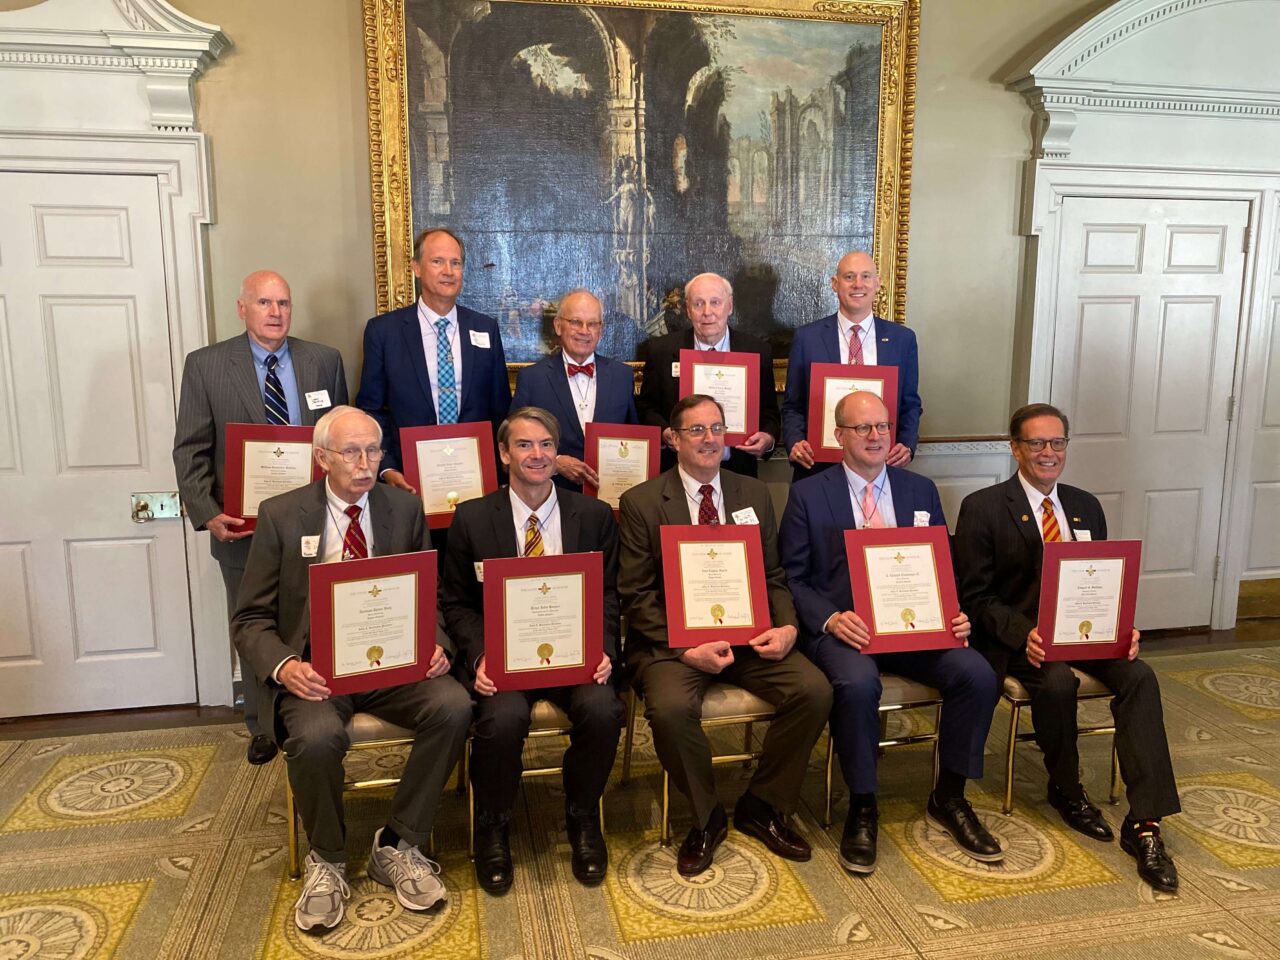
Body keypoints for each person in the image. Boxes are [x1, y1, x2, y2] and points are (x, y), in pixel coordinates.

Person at [232, 406, 472, 931]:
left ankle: (399, 842)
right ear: (322, 458)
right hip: (316, 672)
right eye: (351, 452)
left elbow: (428, 593)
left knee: (455, 707)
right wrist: (285, 665)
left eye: (373, 451)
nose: (365, 464)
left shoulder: (403, 510)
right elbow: (250, 618)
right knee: (316, 740)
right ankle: (329, 858)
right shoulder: (281, 514)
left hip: (394, 665)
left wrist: (436, 643)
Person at [954, 402, 1180, 893]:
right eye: (1036, 443)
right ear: (1015, 448)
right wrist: (1022, 634)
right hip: (1020, 640)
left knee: (1141, 676)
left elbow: (1097, 582)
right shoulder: (984, 506)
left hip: (1081, 632)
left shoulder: (1085, 505)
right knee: (1055, 681)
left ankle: (1145, 823)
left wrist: (1123, 628)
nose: (1048, 452)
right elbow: (975, 596)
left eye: (1057, 442)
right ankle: (1066, 788)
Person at [778, 391, 1001, 873]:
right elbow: (792, 577)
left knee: (978, 674)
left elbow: (944, 566)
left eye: (882, 426)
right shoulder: (808, 494)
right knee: (858, 685)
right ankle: (863, 803)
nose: (876, 436)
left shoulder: (920, 491)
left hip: (914, 629)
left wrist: (954, 613)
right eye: (863, 428)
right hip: (846, 630)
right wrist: (831, 618)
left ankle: (950, 795)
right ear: (839, 436)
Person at [618, 394, 832, 877]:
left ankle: (763, 803)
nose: (710, 439)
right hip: (673, 645)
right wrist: (683, 647)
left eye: (717, 428)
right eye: (696, 430)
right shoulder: (642, 502)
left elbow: (773, 575)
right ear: (673, 439)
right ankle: (707, 816)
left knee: (813, 690)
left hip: (749, 635)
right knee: (671, 710)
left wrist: (787, 627)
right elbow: (635, 595)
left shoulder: (752, 495)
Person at [442, 406, 624, 894]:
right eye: (524, 445)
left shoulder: (593, 515)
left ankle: (583, 815)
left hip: (576, 657)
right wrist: (479, 657)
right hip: (502, 662)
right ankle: (494, 823)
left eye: (546, 444)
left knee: (604, 710)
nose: (537, 455)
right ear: (504, 453)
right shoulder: (473, 519)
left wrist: (604, 648)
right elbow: (455, 603)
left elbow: (608, 594)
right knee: (501, 722)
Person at [173, 269, 348, 765]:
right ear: (242, 307)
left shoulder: (323, 361)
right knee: (253, 620)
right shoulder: (206, 366)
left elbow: (344, 435)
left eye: (284, 304)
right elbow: (190, 450)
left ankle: (323, 702)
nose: (276, 313)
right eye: (265, 303)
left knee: (320, 615)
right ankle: (263, 724)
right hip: (242, 528)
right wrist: (208, 515)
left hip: (320, 518)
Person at [355, 227, 511, 495]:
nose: (448, 271)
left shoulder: (485, 328)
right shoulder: (384, 332)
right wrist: (388, 468)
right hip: (407, 479)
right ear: (416, 267)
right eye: (437, 262)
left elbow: (500, 410)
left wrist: (501, 470)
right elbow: (371, 410)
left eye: (456, 263)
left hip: (475, 476)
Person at [781, 251, 922, 481]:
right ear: (835, 284)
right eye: (849, 277)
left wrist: (906, 444)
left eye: (866, 276)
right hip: (819, 468)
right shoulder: (807, 338)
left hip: (881, 467)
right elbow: (793, 405)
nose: (858, 284)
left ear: (877, 284)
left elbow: (910, 403)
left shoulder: (902, 340)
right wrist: (795, 441)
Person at [636, 273, 780, 478]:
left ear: (729, 306)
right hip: (677, 473)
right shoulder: (661, 351)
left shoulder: (757, 351)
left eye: (715, 302)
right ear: (687, 309)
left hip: (738, 472)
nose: (707, 312)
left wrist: (767, 438)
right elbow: (646, 408)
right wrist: (665, 431)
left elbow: (770, 412)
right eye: (698, 304)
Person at [510, 290, 638, 493]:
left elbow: (634, 437)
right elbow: (514, 443)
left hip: (609, 497)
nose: (584, 331)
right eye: (576, 322)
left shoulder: (622, 376)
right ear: (558, 326)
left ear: (601, 330)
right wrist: (556, 463)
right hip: (552, 496)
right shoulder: (533, 378)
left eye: (592, 324)